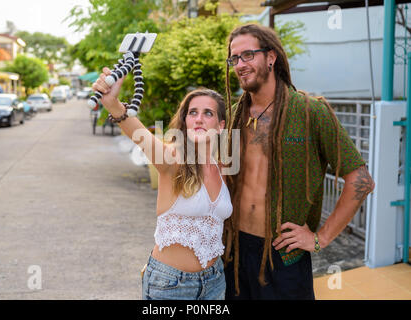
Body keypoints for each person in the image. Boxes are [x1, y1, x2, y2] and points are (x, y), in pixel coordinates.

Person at [222, 24, 375, 300]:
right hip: (234, 256)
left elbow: (361, 180)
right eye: (234, 59)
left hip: (284, 257)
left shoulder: (310, 112)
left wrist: (320, 238)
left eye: (248, 55)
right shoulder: (233, 116)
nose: (240, 65)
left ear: (271, 57)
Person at [92, 70, 232, 300]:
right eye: (193, 113)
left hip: (215, 281)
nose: (199, 118)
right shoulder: (172, 160)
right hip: (172, 285)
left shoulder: (223, 168)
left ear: (220, 125)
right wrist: (112, 103)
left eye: (208, 113)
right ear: (185, 121)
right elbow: (138, 133)